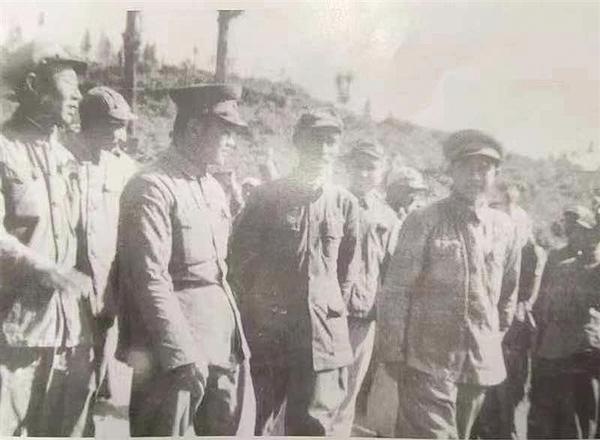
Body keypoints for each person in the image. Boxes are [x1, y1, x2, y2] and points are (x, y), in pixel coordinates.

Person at [116, 83, 255, 436]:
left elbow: (219, 274)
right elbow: (149, 278)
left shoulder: (212, 188)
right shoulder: (151, 187)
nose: (232, 142)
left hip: (221, 345)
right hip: (173, 355)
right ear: (194, 128)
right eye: (225, 132)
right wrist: (180, 352)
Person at [378, 129, 521, 439]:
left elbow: (509, 292)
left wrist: (492, 337)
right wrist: (393, 350)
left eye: (484, 168)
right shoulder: (424, 220)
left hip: (477, 367)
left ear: (496, 175)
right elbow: (396, 290)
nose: (475, 176)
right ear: (451, 171)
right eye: (467, 167)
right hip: (426, 362)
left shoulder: (506, 228)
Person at [229, 108, 361, 436]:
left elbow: (346, 272)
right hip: (270, 334)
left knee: (313, 427)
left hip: (321, 338)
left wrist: (327, 310)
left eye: (331, 142)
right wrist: (257, 313)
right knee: (254, 421)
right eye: (315, 140)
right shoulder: (267, 197)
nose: (323, 149)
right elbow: (240, 263)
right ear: (298, 143)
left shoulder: (345, 204)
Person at [0, 40, 96, 436]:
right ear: (34, 85)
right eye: (68, 83)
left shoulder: (66, 157)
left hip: (67, 330)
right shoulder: (3, 150)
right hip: (13, 331)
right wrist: (42, 268)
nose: (78, 95)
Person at [331, 140, 401, 436]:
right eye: (358, 166)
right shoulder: (330, 199)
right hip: (325, 312)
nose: (363, 173)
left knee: (349, 391)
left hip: (362, 314)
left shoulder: (387, 216)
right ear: (347, 166)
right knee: (315, 391)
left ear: (382, 172)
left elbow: (392, 271)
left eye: (371, 167)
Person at [75, 86, 138, 400]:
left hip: (107, 286)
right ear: (92, 124)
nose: (122, 137)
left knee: (98, 366)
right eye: (116, 127)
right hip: (72, 284)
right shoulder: (64, 160)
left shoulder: (126, 168)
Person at [476, 182, 547, 439]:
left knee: (507, 394)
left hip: (512, 329)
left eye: (499, 205)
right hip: (485, 325)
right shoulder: (486, 238)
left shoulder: (528, 248)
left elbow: (526, 298)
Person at [528, 207, 600, 439]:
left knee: (580, 414)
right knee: (550, 413)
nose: (574, 234)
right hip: (553, 350)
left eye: (582, 230)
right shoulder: (561, 264)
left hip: (582, 351)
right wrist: (538, 346)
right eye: (571, 228)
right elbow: (543, 306)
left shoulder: (593, 269)